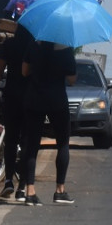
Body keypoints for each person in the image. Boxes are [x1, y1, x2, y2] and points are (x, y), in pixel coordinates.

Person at [20, 40, 77, 206]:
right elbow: (72, 79)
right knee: (63, 143)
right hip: (57, 101)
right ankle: (60, 190)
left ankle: (30, 192)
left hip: (34, 99)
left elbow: (24, 71)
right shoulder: (66, 49)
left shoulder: (33, 46)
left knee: (32, 145)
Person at [0, 24, 33, 201]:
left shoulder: (9, 45)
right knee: (28, 142)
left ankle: (8, 181)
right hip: (31, 100)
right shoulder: (36, 46)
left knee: (11, 141)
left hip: (12, 98)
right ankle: (22, 188)